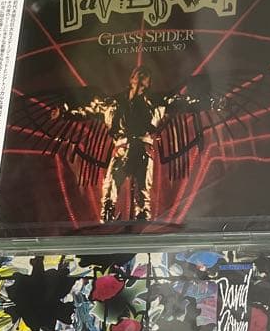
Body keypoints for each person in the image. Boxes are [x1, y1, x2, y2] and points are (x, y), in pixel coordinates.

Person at [52, 65, 224, 223]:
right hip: (121, 148)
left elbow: (185, 103)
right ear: (131, 78)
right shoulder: (113, 102)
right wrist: (64, 112)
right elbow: (89, 110)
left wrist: (211, 103)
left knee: (142, 191)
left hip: (143, 149)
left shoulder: (158, 100)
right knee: (110, 188)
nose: (141, 76)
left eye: (146, 75)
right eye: (138, 74)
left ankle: (141, 221)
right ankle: (108, 221)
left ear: (149, 82)